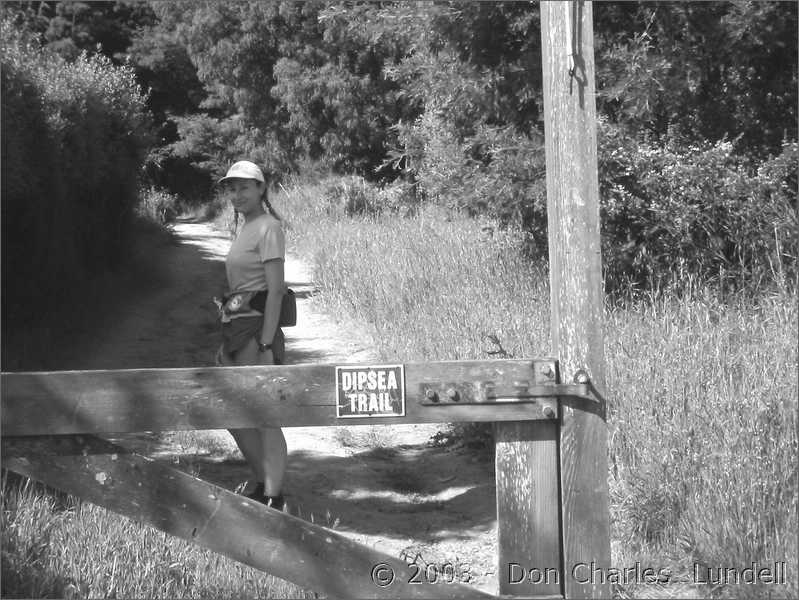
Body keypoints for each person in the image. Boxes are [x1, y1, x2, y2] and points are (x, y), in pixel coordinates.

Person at [216, 160, 287, 510]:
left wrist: (263, 343)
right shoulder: (246, 227)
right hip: (236, 327)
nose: (237, 194)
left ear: (261, 188)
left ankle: (273, 495)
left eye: (244, 186)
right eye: (232, 188)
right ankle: (263, 483)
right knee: (233, 413)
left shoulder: (269, 228)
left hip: (256, 330)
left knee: (263, 415)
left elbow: (274, 291)